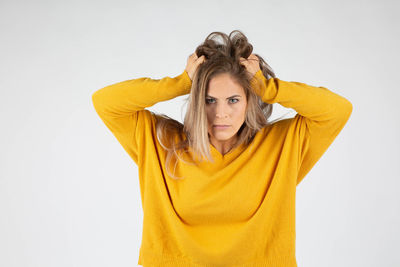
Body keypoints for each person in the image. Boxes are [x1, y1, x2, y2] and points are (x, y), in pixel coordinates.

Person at [92, 30, 353, 267]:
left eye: (233, 100)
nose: (221, 114)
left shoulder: (282, 145)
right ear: (197, 100)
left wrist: (267, 87)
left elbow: (337, 110)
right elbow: (106, 102)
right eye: (209, 100)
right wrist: (182, 82)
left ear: (249, 101)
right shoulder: (162, 143)